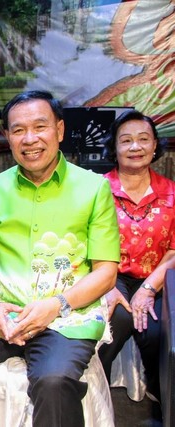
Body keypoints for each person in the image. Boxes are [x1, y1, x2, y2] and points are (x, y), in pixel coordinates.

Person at [0, 91, 120, 427]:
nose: (29, 139)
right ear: (8, 137)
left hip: (65, 315)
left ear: (59, 130)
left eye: (40, 127)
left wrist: (55, 305)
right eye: (18, 130)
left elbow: (106, 273)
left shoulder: (93, 188)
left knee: (54, 380)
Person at [97, 110, 175, 406]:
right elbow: (82, 243)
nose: (135, 147)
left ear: (154, 145)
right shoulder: (97, 190)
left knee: (158, 331)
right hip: (109, 273)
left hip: (157, 276)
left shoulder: (171, 192)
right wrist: (106, 286)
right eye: (126, 140)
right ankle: (94, 396)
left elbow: (174, 250)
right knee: (114, 321)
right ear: (114, 147)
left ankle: (162, 395)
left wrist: (149, 289)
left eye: (143, 139)